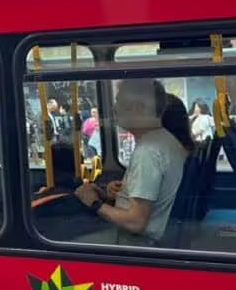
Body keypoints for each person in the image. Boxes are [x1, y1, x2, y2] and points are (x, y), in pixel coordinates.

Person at [74, 79, 193, 246]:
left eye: (119, 101)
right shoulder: (165, 140)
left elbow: (136, 223)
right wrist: (110, 195)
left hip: (135, 244)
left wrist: (94, 203)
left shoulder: (148, 153)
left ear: (137, 107)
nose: (114, 109)